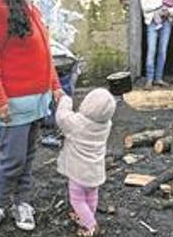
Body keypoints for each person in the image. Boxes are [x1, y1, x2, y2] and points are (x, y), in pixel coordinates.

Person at [0, 0, 63, 234]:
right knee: (11, 159)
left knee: (27, 156)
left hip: (35, 102)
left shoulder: (30, 9)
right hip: (11, 104)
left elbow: (44, 55)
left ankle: (22, 203)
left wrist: (55, 87)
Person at [56, 88, 117, 237]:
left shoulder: (77, 124)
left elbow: (61, 117)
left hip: (78, 173)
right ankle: (86, 217)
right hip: (95, 172)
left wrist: (65, 99)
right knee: (91, 196)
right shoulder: (105, 125)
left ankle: (90, 225)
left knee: (77, 200)